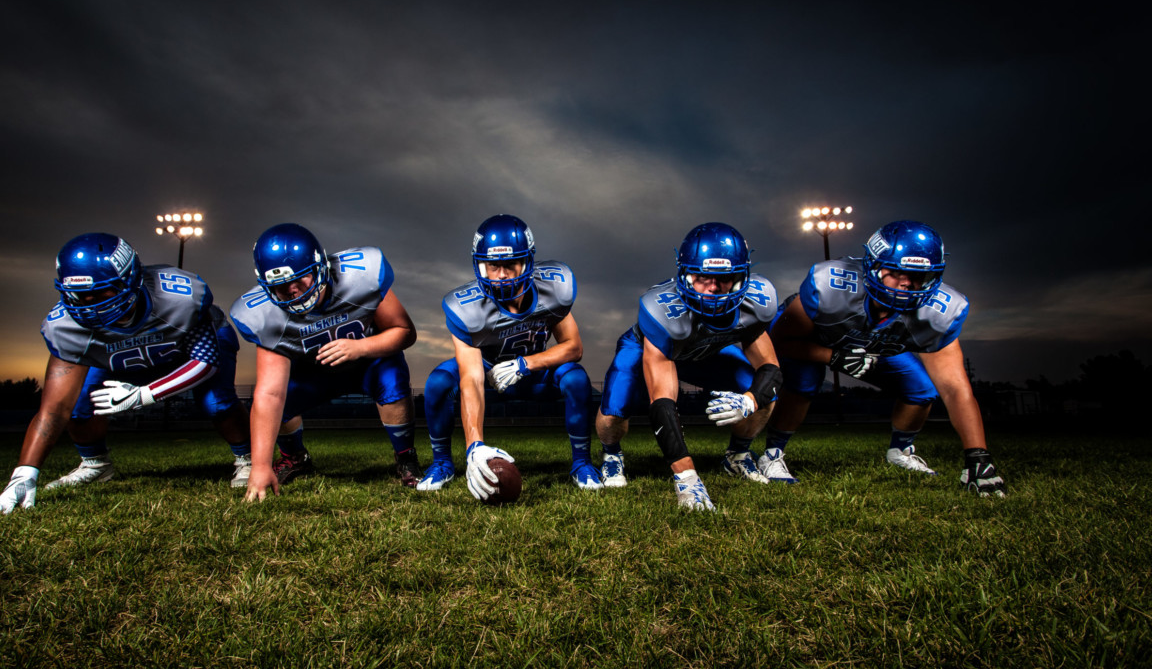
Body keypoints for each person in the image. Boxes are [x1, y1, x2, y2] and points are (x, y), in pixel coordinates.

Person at [0, 233, 252, 514]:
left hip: (186, 350)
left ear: (131, 279)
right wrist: (25, 473)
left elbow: (206, 362)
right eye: (81, 295)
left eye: (103, 292)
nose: (91, 304)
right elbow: (55, 410)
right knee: (79, 403)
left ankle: (247, 458)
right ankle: (95, 464)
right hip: (117, 360)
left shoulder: (180, 297)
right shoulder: (64, 327)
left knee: (217, 401)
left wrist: (144, 395)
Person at [759, 220, 1005, 496]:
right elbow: (782, 341)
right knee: (805, 381)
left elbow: (955, 388)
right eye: (896, 271)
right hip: (817, 339)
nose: (907, 283)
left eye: (918, 276)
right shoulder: (831, 286)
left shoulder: (940, 312)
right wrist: (833, 357)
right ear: (873, 266)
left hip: (876, 346)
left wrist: (978, 457)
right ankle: (772, 453)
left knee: (922, 389)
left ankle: (900, 450)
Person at [594, 222, 783, 511]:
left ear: (743, 276)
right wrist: (687, 477)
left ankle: (737, 455)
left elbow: (770, 369)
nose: (713, 289)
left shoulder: (757, 301)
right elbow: (662, 403)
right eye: (702, 277)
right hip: (653, 348)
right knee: (613, 411)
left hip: (707, 352)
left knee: (764, 393)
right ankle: (611, 454)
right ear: (684, 274)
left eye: (725, 278)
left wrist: (750, 399)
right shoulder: (661, 310)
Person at [229, 223, 420, 501]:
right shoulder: (262, 315)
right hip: (313, 372)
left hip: (367, 362)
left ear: (320, 267)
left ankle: (405, 456)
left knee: (393, 379)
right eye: (281, 286)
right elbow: (270, 393)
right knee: (276, 401)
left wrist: (361, 347)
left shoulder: (362, 276)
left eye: (300, 279)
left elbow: (404, 332)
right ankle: (294, 457)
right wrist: (259, 466)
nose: (293, 290)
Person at [418, 214, 602, 500]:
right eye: (493, 266)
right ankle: (443, 462)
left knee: (577, 378)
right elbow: (471, 376)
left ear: (527, 263)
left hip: (533, 371)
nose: (502, 275)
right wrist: (475, 446)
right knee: (438, 382)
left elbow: (573, 347)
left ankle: (581, 463)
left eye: (510, 265)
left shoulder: (551, 290)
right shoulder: (466, 308)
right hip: (488, 371)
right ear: (481, 265)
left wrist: (526, 364)